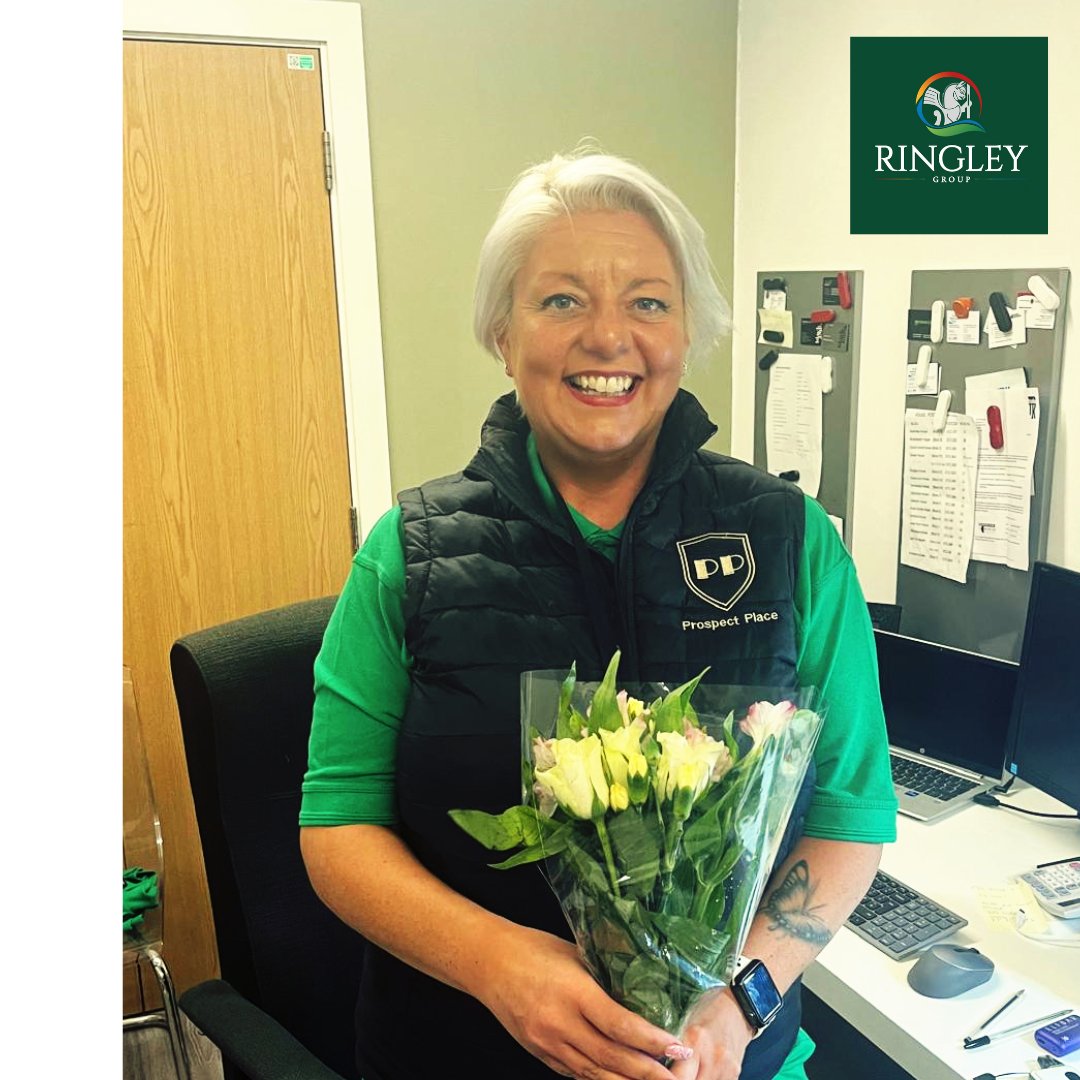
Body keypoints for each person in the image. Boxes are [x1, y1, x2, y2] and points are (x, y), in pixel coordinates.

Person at [300, 146, 898, 1080]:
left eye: (648, 301)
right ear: (503, 332)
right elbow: (337, 828)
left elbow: (852, 817)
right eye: (562, 299)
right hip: (459, 1054)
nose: (608, 337)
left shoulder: (791, 541)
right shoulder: (407, 555)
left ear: (686, 330)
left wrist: (742, 999)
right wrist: (497, 964)